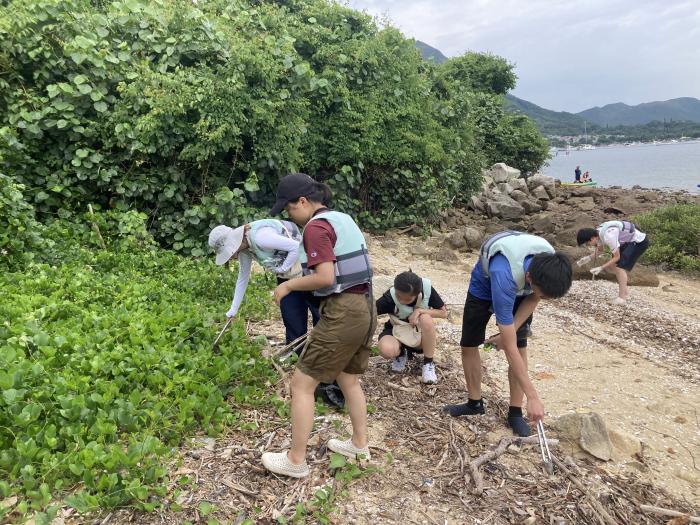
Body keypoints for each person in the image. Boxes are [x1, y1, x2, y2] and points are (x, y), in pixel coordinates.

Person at [261, 173, 376, 478]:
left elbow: (325, 277)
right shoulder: (341, 218)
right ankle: (359, 444)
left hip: (345, 311)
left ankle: (296, 460)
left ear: (303, 202)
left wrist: (288, 286)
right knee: (348, 379)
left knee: (301, 384)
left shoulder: (315, 227)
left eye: (289, 210)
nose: (290, 216)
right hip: (366, 304)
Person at [443, 231, 573, 437]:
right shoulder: (504, 274)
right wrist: (533, 396)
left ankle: (515, 412)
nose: (544, 298)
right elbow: (508, 347)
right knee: (469, 343)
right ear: (530, 277)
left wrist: (508, 333)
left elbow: (534, 298)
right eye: (543, 294)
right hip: (484, 286)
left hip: (526, 290)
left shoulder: (548, 264)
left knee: (520, 346)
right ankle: (474, 404)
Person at [208, 220, 319, 345]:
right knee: (293, 321)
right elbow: (243, 277)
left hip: (307, 273)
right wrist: (233, 310)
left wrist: (283, 268)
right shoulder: (244, 249)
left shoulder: (260, 237)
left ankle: (324, 355)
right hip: (285, 278)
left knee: (319, 318)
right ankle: (297, 357)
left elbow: (295, 247)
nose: (231, 256)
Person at [375, 271, 447, 384]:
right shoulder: (389, 297)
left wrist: (420, 311)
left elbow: (443, 313)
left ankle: (428, 363)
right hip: (397, 331)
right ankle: (400, 354)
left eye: (407, 299)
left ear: (417, 294)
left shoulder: (426, 289)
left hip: (419, 334)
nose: (401, 301)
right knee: (386, 350)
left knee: (426, 319)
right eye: (398, 297)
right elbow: (369, 312)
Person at [576, 220, 649, 304]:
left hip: (638, 242)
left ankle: (622, 298)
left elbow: (617, 257)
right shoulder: (598, 233)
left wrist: (601, 268)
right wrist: (588, 258)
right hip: (626, 241)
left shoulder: (608, 236)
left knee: (619, 267)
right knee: (613, 265)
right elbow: (600, 250)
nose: (587, 245)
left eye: (587, 243)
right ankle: (624, 291)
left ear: (592, 238)